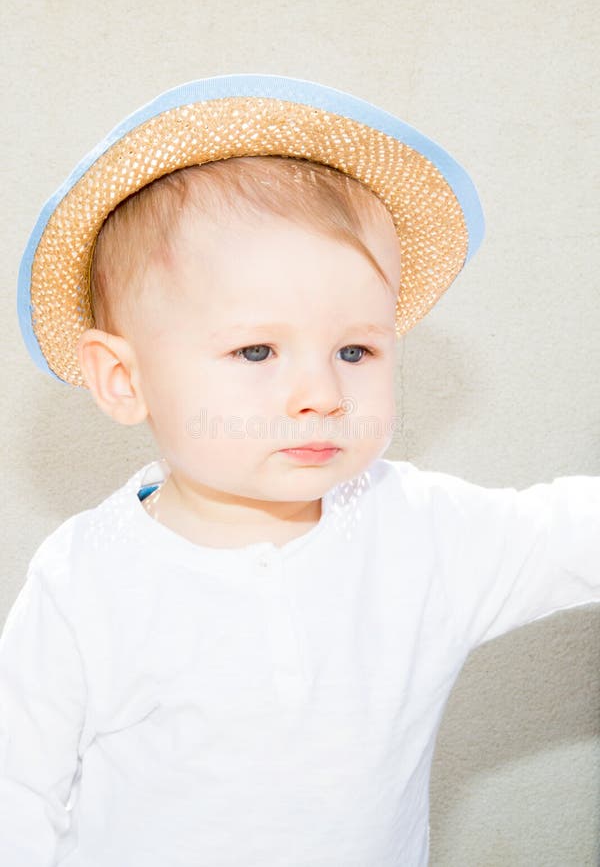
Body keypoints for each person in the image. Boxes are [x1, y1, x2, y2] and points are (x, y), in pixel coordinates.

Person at [4, 74, 599, 866]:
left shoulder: (422, 531)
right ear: (124, 379)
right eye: (257, 350)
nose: (321, 393)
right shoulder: (85, 579)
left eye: (354, 349)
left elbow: (569, 534)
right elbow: (18, 793)